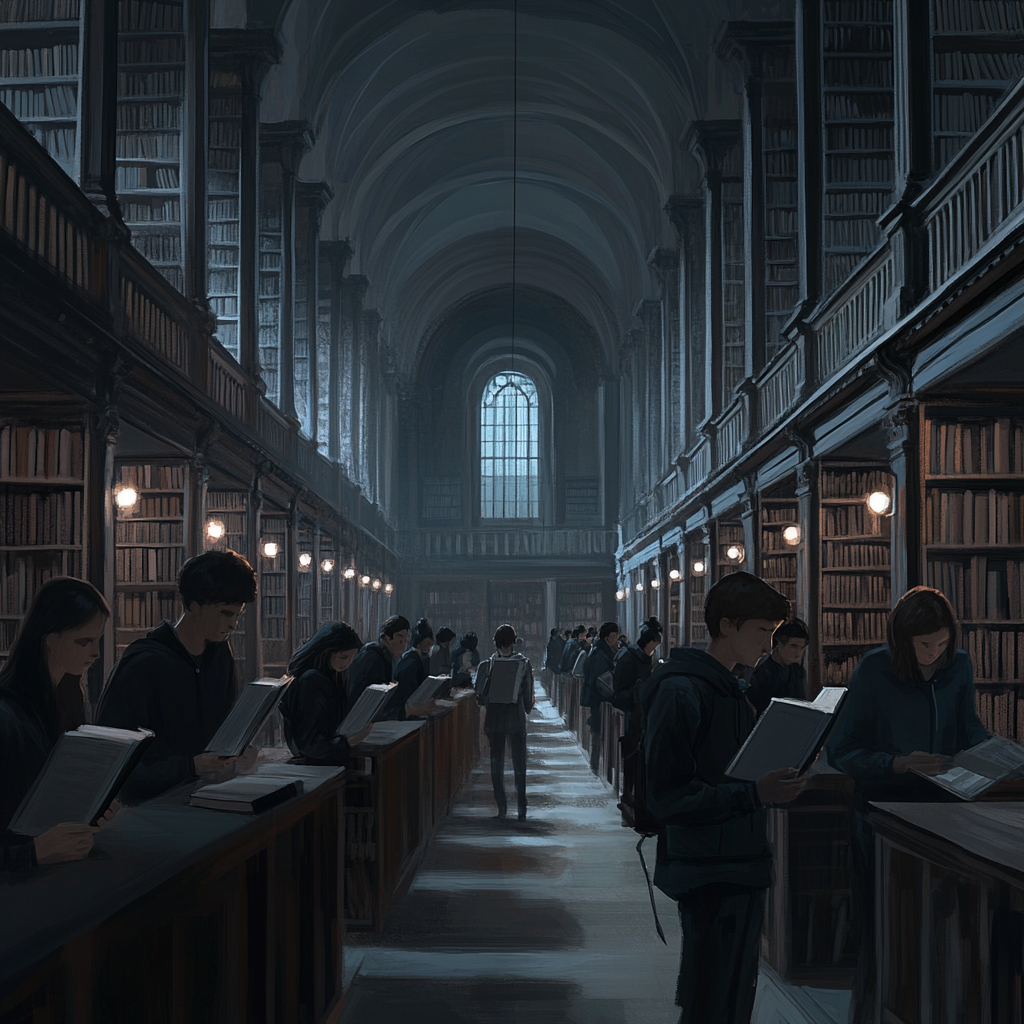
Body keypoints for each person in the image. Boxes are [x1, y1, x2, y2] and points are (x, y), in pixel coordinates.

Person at [641, 571, 806, 1024]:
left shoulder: (734, 689)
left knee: (732, 998)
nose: (768, 644)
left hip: (739, 860)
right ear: (727, 626)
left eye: (773, 634)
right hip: (707, 868)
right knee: (711, 998)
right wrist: (754, 794)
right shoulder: (681, 690)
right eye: (761, 632)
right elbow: (668, 796)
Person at [826, 586, 988, 1024]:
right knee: (885, 927)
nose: (933, 654)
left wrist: (996, 753)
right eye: (923, 645)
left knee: (945, 926)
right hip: (882, 813)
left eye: (941, 643)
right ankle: (875, 1010)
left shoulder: (960, 666)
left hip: (945, 812)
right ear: (902, 640)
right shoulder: (875, 669)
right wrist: (896, 763)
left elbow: (969, 729)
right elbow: (840, 750)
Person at [97, 549, 259, 803]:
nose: (233, 625)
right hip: (149, 808)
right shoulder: (143, 664)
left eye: (238, 615)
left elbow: (220, 732)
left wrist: (235, 750)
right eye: (225, 613)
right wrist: (191, 766)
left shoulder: (220, 655)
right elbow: (112, 766)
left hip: (208, 795)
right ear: (193, 604)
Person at [1, 578, 118, 870]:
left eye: (98, 641)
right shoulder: (6, 719)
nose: (96, 654)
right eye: (84, 641)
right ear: (49, 638)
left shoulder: (68, 701)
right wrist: (33, 853)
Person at [278, 621, 372, 762]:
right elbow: (311, 745)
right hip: (315, 764)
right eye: (343, 657)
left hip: (325, 760)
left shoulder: (331, 676)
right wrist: (348, 742)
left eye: (352, 658)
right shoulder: (311, 681)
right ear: (326, 652)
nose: (347, 664)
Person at [476, 623, 535, 821]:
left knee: (496, 764)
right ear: (514, 642)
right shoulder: (524, 664)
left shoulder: (486, 666)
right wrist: (526, 707)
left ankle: (501, 808)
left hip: (495, 719)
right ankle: (521, 807)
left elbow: (481, 697)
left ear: (495, 642)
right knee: (519, 764)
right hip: (516, 718)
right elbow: (527, 696)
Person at [745, 617, 810, 715]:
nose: (799, 653)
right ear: (777, 643)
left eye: (802, 647)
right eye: (793, 646)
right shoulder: (762, 674)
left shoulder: (797, 670)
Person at [346, 614, 410, 709]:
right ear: (387, 637)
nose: (403, 644)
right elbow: (376, 700)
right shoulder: (374, 658)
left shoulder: (384, 657)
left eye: (405, 640)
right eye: (400, 638)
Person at [581, 620, 620, 773]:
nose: (617, 639)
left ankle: (597, 765)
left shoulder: (599, 650)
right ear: (609, 637)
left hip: (598, 699)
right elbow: (601, 681)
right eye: (616, 636)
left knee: (599, 730)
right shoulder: (601, 654)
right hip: (600, 700)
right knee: (598, 730)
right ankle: (596, 765)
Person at [390, 617, 437, 719]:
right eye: (427, 643)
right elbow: (406, 692)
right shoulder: (410, 662)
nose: (430, 647)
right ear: (419, 642)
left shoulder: (418, 658)